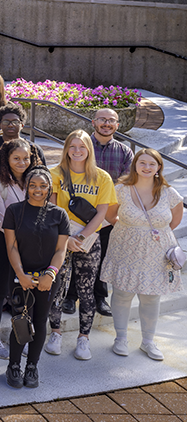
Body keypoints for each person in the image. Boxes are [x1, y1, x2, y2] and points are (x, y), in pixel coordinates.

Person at [102, 149, 183, 360]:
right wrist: (133, 230)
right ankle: (120, 338)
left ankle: (148, 341)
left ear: (158, 168)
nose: (147, 167)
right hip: (125, 248)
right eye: (142, 163)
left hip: (157, 252)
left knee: (151, 296)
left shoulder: (168, 192)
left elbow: (175, 219)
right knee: (122, 293)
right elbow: (111, 215)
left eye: (152, 164)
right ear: (135, 165)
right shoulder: (120, 189)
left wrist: (153, 233)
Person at [46, 129, 118, 361]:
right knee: (57, 288)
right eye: (73, 146)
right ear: (66, 149)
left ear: (89, 150)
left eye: (82, 147)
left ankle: (83, 338)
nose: (77, 151)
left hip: (88, 241)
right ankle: (55, 333)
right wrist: (66, 239)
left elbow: (102, 213)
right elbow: (52, 210)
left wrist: (82, 238)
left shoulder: (102, 177)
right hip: (60, 240)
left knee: (87, 291)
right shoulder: (54, 174)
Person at [2, 167, 70, 389]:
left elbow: (61, 250)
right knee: (21, 321)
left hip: (47, 278)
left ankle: (32, 366)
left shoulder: (59, 215)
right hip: (20, 277)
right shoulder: (14, 211)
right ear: (26, 187)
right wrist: (20, 274)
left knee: (40, 321)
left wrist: (50, 274)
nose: (37, 190)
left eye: (42, 186)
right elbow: (11, 246)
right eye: (32, 185)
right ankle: (13, 365)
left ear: (49, 187)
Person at [0, 138, 42, 358]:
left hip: (31, 244)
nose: (22, 162)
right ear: (6, 158)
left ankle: (21, 337)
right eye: (16, 158)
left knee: (24, 292)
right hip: (3, 242)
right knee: (0, 290)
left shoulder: (35, 179)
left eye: (26, 158)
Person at [88, 107, 134, 316]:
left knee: (104, 257)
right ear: (93, 122)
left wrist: (108, 211)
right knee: (74, 253)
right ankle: (71, 297)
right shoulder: (82, 145)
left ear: (117, 125)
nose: (106, 124)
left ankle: (100, 297)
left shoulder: (125, 152)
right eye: (102, 120)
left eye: (111, 121)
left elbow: (127, 183)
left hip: (109, 214)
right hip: (80, 211)